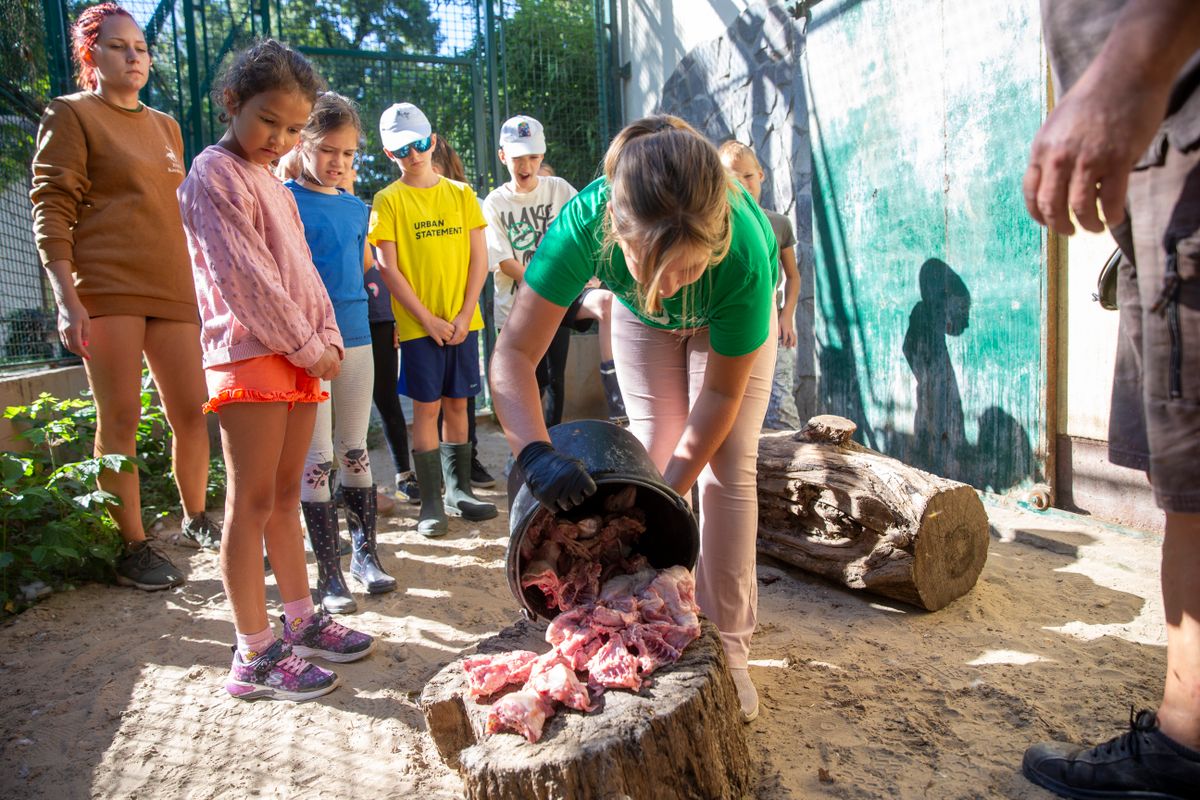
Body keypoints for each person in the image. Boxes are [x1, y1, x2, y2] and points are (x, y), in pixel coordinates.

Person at [490, 115, 779, 723]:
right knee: (651, 450)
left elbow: (721, 398)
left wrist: (665, 501)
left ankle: (730, 648)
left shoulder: (745, 255)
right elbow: (512, 357)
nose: (671, 287)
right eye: (654, 265)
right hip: (639, 320)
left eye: (687, 269)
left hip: (729, 319)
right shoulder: (583, 224)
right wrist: (536, 454)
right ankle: (642, 616)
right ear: (615, 232)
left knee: (726, 470)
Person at [1020, 1, 1200, 796]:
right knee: (1185, 492)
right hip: (1158, 168)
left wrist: (1132, 66)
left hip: (1179, 129)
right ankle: (1185, 738)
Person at [178, 40, 374, 701]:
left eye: (293, 129)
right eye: (270, 121)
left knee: (289, 497)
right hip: (249, 354)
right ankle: (254, 652)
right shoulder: (212, 173)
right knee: (251, 504)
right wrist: (306, 342)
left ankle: (299, 619)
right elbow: (246, 278)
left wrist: (323, 336)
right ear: (233, 103)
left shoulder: (275, 182)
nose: (280, 138)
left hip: (297, 356)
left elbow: (304, 276)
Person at [29, 2, 218, 592]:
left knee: (193, 412)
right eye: (118, 46)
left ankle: (196, 519)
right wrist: (68, 297)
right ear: (91, 55)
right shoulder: (70, 113)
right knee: (121, 418)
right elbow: (51, 205)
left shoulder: (166, 125)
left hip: (174, 290)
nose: (134, 56)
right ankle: (132, 546)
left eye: (140, 47)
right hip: (106, 289)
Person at [285, 92, 395, 613]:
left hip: (356, 338)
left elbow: (364, 272)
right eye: (329, 150)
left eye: (349, 154)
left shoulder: (356, 207)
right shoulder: (282, 199)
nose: (339, 162)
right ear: (303, 143)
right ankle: (328, 574)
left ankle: (364, 555)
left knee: (354, 447)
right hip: (308, 345)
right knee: (318, 457)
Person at [368, 102, 497, 536]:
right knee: (426, 409)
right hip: (420, 328)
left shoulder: (461, 195)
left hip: (463, 322)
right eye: (403, 149)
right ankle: (431, 501)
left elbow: (479, 260)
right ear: (390, 154)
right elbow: (390, 270)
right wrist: (427, 320)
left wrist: (463, 314)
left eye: (421, 144)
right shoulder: (388, 200)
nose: (414, 154)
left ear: (434, 140)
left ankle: (459, 491)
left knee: (459, 404)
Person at [482, 115, 628, 427]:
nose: (526, 166)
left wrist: (592, 273)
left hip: (559, 300)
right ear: (503, 156)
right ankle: (525, 452)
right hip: (516, 309)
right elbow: (505, 262)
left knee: (554, 380)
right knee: (525, 383)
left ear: (542, 156)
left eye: (533, 157)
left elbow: (593, 227)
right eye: (518, 157)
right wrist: (549, 283)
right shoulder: (495, 202)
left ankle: (577, 429)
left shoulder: (559, 189)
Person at [719, 140, 802, 430]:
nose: (742, 183)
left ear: (761, 175)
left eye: (748, 176)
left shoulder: (778, 224)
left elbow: (793, 276)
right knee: (733, 406)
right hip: (732, 328)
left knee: (780, 404)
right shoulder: (718, 226)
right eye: (732, 177)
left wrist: (787, 317)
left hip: (772, 326)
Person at [430, 135, 496, 489]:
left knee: (463, 394)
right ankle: (441, 470)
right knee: (433, 400)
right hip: (426, 318)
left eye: (434, 168)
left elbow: (480, 261)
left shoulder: (469, 202)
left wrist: (464, 311)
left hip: (465, 314)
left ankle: (467, 460)